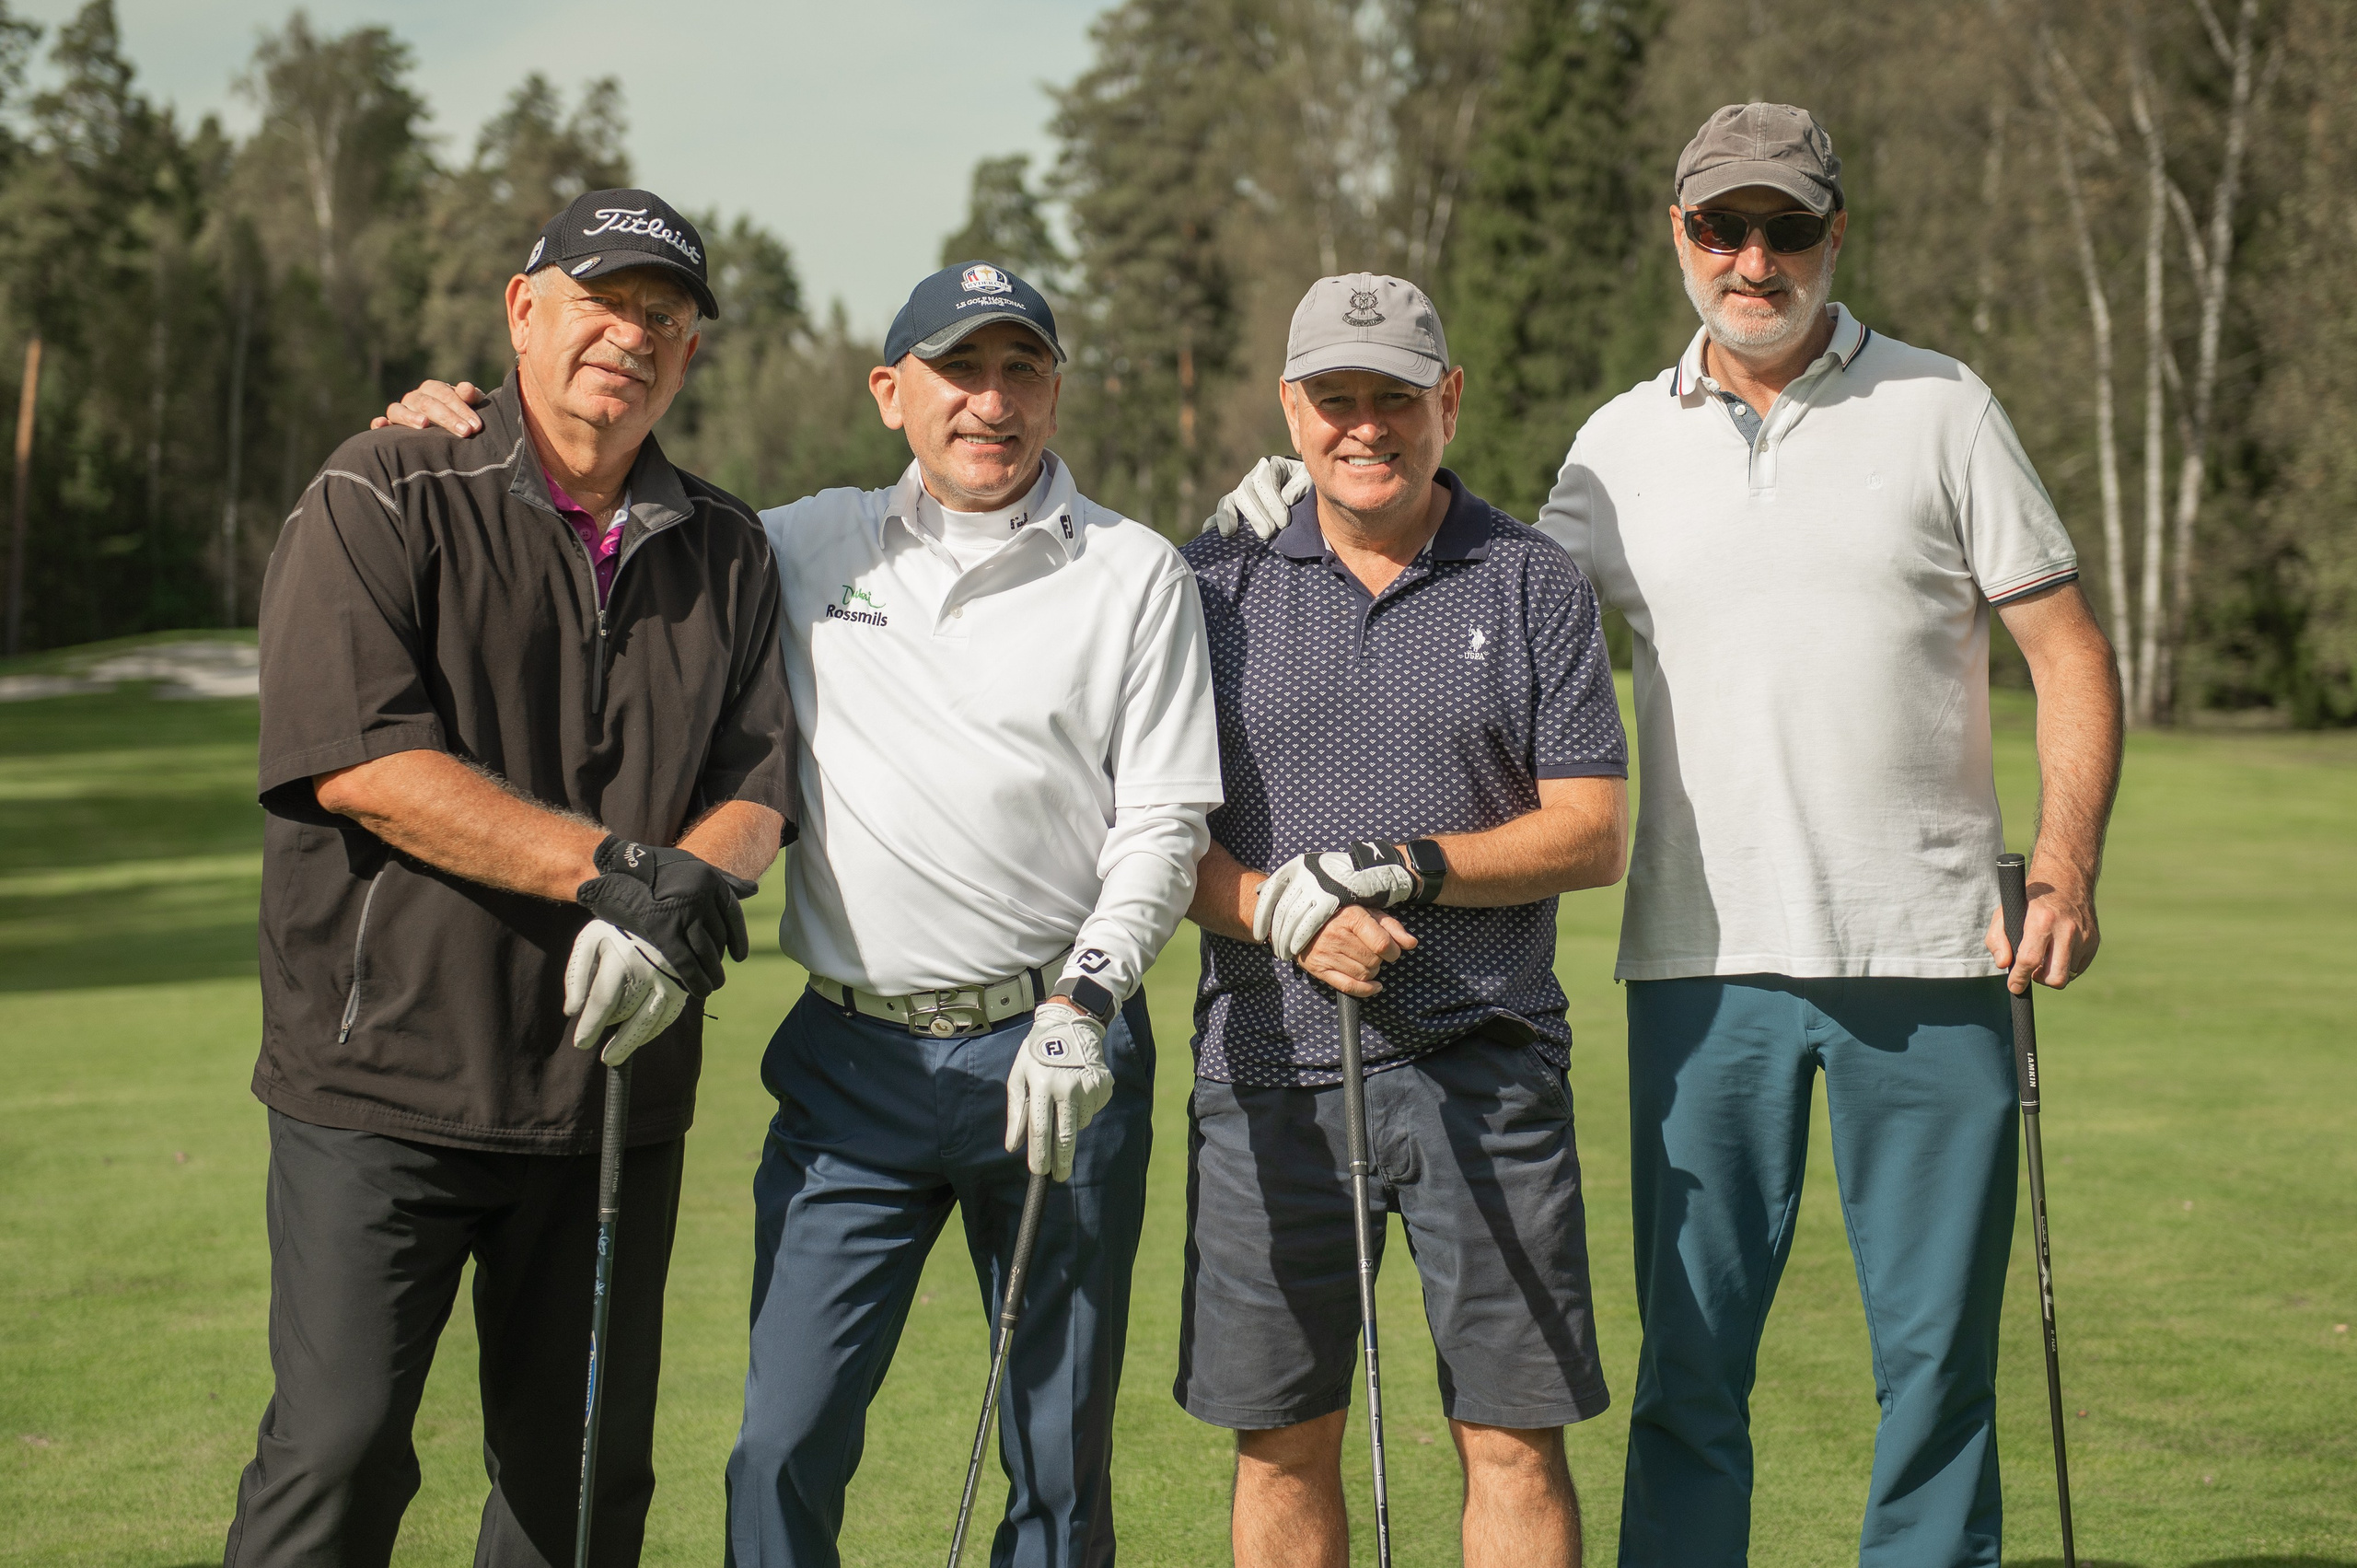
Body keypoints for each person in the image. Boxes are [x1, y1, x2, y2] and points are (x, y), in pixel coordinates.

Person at [1215, 106, 2126, 1568]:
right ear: (1680, 237)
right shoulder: (1621, 445)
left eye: (1783, 228)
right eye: (1721, 227)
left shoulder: (1945, 406)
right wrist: (1295, 516)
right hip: (1703, 970)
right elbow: (1474, 588)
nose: (1751, 258)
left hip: (1939, 954)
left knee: (1940, 1368)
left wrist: (2067, 865)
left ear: (1836, 235)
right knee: (1692, 1373)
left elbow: (2069, 655)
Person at [380, 261, 1223, 1568]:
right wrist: (467, 422)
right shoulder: (790, 543)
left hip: (1055, 1050)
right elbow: (601, 499)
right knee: (781, 1446)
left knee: (1057, 1461)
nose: (990, 403)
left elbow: (1164, 821)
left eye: (1021, 371)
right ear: (892, 393)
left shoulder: (1136, 573)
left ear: (1056, 390)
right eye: (959, 372)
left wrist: (1090, 997)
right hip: (853, 1067)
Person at [230, 189, 794, 1568]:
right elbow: (363, 761)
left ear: (690, 357)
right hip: (386, 1087)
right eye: (602, 303)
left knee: (585, 1491)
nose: (632, 337)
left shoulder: (727, 546)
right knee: (340, 1455)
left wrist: (679, 904)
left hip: (612, 1090)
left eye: (664, 319)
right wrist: (617, 874)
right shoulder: (383, 486)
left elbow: (762, 787)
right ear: (522, 311)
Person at [1180, 274, 1630, 1568]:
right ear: (1291, 408)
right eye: (1336, 401)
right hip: (1264, 1068)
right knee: (1282, 1438)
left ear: (1448, 402)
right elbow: (1154, 838)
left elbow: (1591, 831)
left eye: (1393, 399)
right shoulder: (1211, 583)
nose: (1363, 428)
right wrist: (1284, 916)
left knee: (1512, 1435)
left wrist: (1396, 868)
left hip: (1483, 1061)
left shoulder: (1533, 579)